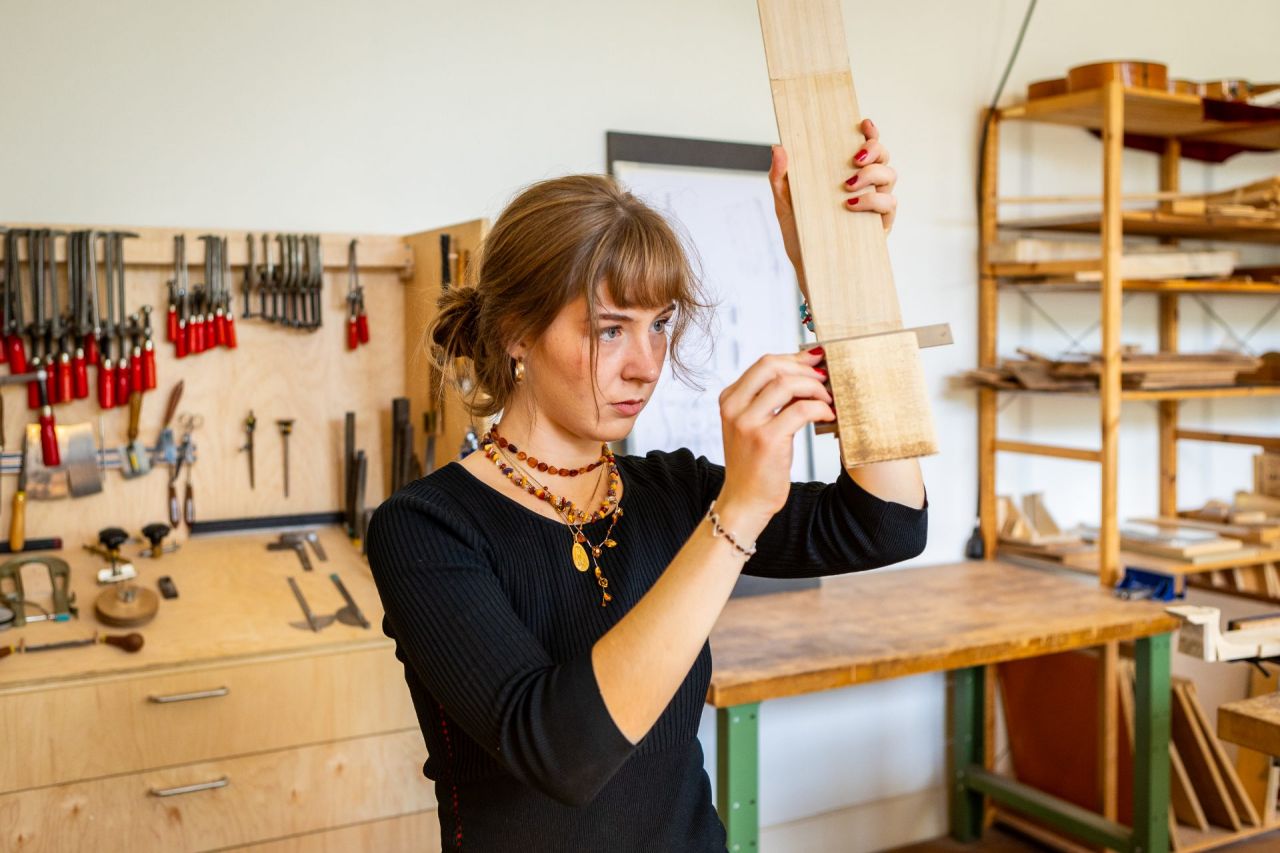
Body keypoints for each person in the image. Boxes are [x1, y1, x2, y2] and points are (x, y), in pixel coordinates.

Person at [367, 119, 927, 852]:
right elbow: (560, 752)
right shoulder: (426, 528)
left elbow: (888, 522)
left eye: (659, 324)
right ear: (514, 332)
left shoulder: (668, 490)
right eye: (609, 330)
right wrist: (737, 515)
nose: (645, 363)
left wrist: (843, 274)